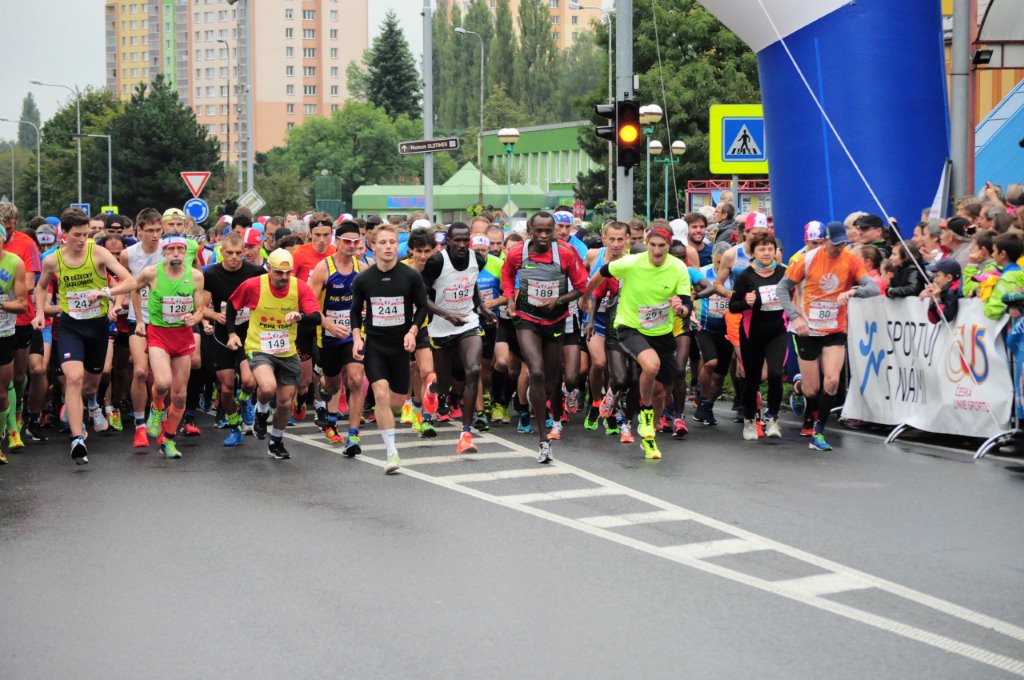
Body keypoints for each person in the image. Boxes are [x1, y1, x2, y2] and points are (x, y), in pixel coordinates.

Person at [33, 209, 137, 464]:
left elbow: (130, 282)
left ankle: (89, 403)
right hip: (71, 327)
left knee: (91, 385)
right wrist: (40, 313)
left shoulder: (98, 253)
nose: (83, 239)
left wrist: (105, 293)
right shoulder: (53, 260)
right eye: (77, 235)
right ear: (64, 234)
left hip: (98, 327)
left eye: (86, 234)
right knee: (73, 378)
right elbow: (41, 287)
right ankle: (77, 438)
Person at [585, 225, 692, 460]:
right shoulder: (632, 262)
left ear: (669, 246)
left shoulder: (678, 268)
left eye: (661, 246)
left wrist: (680, 309)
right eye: (652, 245)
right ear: (647, 244)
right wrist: (586, 297)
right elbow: (601, 273)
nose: (657, 251)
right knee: (650, 366)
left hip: (661, 332)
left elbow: (686, 303)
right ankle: (645, 411)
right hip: (630, 326)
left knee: (662, 392)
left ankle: (649, 435)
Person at [777, 221, 879, 452]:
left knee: (832, 381)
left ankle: (818, 432)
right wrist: (795, 317)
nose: (839, 248)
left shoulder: (850, 260)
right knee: (812, 389)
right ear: (824, 241)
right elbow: (782, 288)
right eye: (835, 244)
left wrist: (853, 291)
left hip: (835, 329)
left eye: (843, 243)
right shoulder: (806, 260)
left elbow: (873, 288)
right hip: (807, 330)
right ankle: (799, 387)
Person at [502, 212, 588, 463]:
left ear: (553, 231)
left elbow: (582, 286)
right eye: (538, 231)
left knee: (550, 383)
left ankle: (543, 399)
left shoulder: (566, 253)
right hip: (526, 318)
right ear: (530, 230)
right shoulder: (518, 252)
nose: (542, 236)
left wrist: (558, 300)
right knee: (536, 372)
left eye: (547, 231)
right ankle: (543, 440)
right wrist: (510, 298)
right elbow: (507, 275)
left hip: (555, 320)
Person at [226, 249, 322, 459]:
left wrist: (300, 316)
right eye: (279, 272)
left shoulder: (300, 287)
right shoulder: (254, 285)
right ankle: (261, 410)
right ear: (269, 269)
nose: (284, 277)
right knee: (268, 387)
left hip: (287, 350)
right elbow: (232, 306)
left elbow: (316, 316)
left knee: (285, 402)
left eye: (288, 273)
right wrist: (232, 333)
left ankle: (276, 441)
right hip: (259, 347)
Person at [350, 224, 429, 475]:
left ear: (398, 245)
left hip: (400, 347)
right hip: (375, 345)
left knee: (395, 401)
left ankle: (405, 407)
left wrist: (412, 332)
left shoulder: (410, 276)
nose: (388, 247)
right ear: (373, 246)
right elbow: (355, 311)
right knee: (380, 394)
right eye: (382, 242)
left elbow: (423, 307)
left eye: (392, 242)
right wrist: (357, 338)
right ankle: (391, 452)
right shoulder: (363, 279)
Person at [422, 223, 496, 454]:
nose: (462, 245)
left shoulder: (478, 259)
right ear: (448, 241)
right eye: (457, 240)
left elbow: (471, 284)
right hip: (441, 327)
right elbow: (421, 296)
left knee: (473, 370)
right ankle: (432, 389)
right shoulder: (436, 262)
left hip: (467, 323)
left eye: (466, 240)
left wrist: (481, 308)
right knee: (444, 386)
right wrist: (446, 314)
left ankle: (465, 434)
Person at [132, 234, 205, 459]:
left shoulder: (195, 276)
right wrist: (140, 320)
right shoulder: (151, 273)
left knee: (180, 395)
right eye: (171, 249)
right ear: (164, 252)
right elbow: (135, 289)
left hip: (182, 336)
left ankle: (169, 440)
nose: (176, 254)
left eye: (180, 250)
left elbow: (200, 308)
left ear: (186, 253)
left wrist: (195, 318)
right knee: (163, 383)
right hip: (159, 334)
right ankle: (156, 407)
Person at [308, 220, 367, 456]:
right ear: (338, 242)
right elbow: (311, 305)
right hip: (329, 336)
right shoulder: (323, 269)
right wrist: (329, 325)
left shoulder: (363, 269)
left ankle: (353, 435)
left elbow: (369, 300)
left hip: (354, 334)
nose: (352, 245)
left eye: (356, 241)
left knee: (355, 379)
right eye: (347, 241)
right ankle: (323, 385)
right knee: (332, 385)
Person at [201, 232, 265, 447]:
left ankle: (245, 400)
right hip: (223, 334)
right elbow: (200, 308)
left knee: (249, 381)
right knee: (226, 386)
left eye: (238, 252)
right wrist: (214, 315)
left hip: (249, 332)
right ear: (221, 252)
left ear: (244, 251)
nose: (234, 257)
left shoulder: (256, 272)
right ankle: (235, 426)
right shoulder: (211, 274)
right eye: (229, 253)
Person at [728, 233, 788, 440]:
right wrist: (746, 303)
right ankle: (749, 420)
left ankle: (773, 418)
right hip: (752, 334)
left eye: (770, 249)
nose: (767, 253)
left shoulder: (784, 273)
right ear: (753, 252)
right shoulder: (745, 276)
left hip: (777, 332)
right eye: (762, 249)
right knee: (752, 379)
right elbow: (733, 306)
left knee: (775, 374)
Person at [122, 208, 168, 448]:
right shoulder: (128, 254)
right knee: (140, 371)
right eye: (150, 230)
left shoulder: (169, 251)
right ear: (139, 231)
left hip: (165, 321)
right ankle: (140, 426)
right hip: (138, 319)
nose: (155, 235)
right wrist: (122, 305)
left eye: (158, 230)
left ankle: (159, 415)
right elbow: (126, 283)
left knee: (162, 378)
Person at [582, 221, 629, 430]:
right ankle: (594, 402)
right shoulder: (593, 256)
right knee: (599, 363)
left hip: (619, 320)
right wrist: (583, 299)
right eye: (612, 239)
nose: (616, 244)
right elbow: (580, 277)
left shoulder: (631, 261)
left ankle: (610, 408)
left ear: (627, 240)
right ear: (604, 239)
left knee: (615, 371)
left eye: (620, 239)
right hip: (595, 318)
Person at [0, 226, 29, 462]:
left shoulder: (14, 263)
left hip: (4, 334)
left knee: (2, 394)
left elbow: (22, 305)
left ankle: (8, 431)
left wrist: (2, 305)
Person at [925, 259, 962, 324]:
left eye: (937, 276)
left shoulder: (953, 291)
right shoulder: (944, 289)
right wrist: (932, 299)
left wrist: (937, 299)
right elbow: (933, 320)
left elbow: (946, 318)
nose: (934, 280)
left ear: (949, 278)